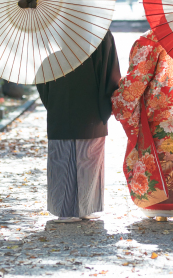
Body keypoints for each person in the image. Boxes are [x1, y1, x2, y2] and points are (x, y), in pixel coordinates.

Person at [111, 31, 173, 221]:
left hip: (155, 115)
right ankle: (170, 205)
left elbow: (137, 79)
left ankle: (154, 205)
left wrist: (119, 100)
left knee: (154, 158)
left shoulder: (150, 41)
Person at [36, 30, 120, 222]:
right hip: (91, 107)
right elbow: (111, 73)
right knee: (88, 158)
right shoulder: (100, 32)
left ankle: (64, 209)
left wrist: (52, 100)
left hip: (61, 103)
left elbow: (41, 73)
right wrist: (105, 105)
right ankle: (86, 207)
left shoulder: (51, 30)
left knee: (62, 157)